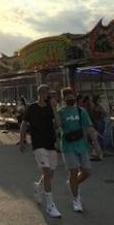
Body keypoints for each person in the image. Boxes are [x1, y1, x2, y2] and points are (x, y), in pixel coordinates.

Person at [19, 85, 62, 218]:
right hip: (38, 144)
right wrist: (22, 140)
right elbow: (24, 124)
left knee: (50, 174)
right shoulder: (32, 108)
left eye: (50, 94)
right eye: (47, 93)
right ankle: (50, 205)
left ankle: (38, 187)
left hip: (51, 143)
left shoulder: (51, 107)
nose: (49, 96)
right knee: (47, 172)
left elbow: (58, 124)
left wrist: (54, 108)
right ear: (41, 93)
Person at [54, 88, 93, 213]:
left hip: (82, 145)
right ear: (63, 98)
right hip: (68, 145)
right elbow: (58, 126)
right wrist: (54, 109)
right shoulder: (61, 112)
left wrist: (96, 146)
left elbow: (88, 128)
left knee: (87, 171)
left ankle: (72, 184)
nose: (70, 98)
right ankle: (76, 199)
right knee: (73, 172)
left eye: (71, 95)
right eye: (67, 96)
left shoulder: (81, 111)